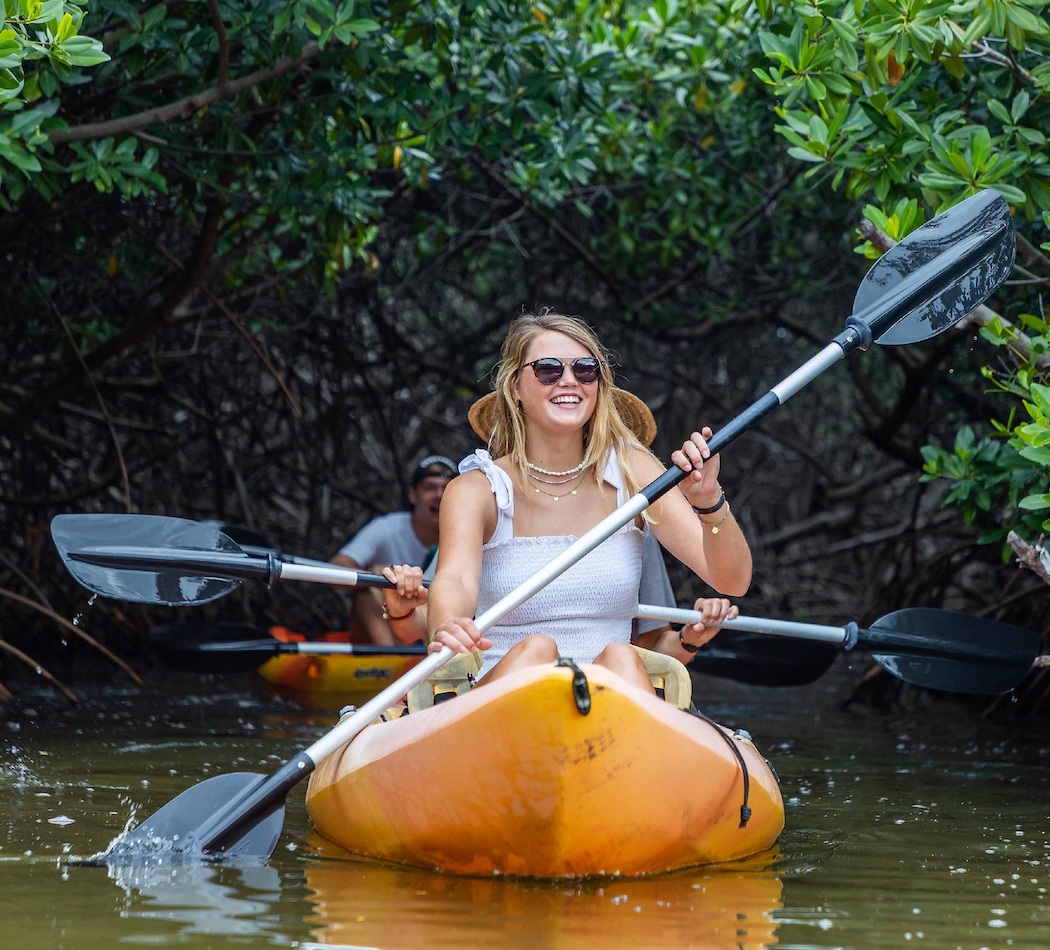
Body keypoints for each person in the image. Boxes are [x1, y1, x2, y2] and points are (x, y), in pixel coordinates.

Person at [403, 310, 753, 692]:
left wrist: (709, 502)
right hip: (504, 700)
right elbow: (454, 578)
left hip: (612, 699)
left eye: (586, 369)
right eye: (548, 369)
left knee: (622, 657)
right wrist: (448, 622)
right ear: (515, 387)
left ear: (598, 385)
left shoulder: (635, 473)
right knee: (537, 651)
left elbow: (732, 581)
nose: (569, 380)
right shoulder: (475, 488)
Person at [331, 455, 456, 645]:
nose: (439, 495)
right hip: (393, 629)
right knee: (368, 589)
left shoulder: (464, 534)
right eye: (430, 487)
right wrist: (377, 577)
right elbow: (336, 569)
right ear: (412, 494)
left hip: (436, 626)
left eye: (447, 489)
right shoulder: (388, 528)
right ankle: (390, 658)